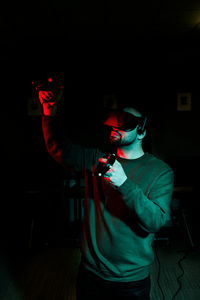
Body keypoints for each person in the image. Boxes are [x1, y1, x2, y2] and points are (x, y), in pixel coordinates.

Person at [39, 88, 174, 300]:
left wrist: (124, 183)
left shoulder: (160, 171)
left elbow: (155, 221)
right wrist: (49, 111)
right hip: (91, 272)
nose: (115, 125)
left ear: (142, 131)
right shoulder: (97, 159)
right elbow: (59, 149)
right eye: (114, 119)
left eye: (125, 121)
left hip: (130, 280)